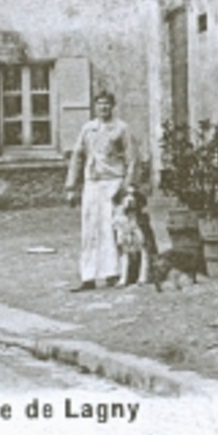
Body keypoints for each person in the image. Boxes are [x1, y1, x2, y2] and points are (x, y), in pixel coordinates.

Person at [64, 90, 135, 291]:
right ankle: (88, 277)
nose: (103, 107)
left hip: (113, 183)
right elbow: (77, 157)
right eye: (100, 104)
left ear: (113, 106)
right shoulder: (88, 129)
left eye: (107, 104)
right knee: (89, 229)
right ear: (95, 106)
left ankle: (112, 273)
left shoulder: (121, 128)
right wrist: (71, 187)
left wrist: (128, 187)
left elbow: (132, 160)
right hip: (92, 183)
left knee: (110, 229)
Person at [113, 186, 158, 287]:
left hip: (145, 261)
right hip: (124, 223)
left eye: (133, 195)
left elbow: (146, 250)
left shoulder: (142, 222)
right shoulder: (118, 222)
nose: (130, 199)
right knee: (123, 250)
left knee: (144, 249)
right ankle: (123, 278)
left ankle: (143, 277)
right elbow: (122, 251)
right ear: (120, 200)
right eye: (126, 196)